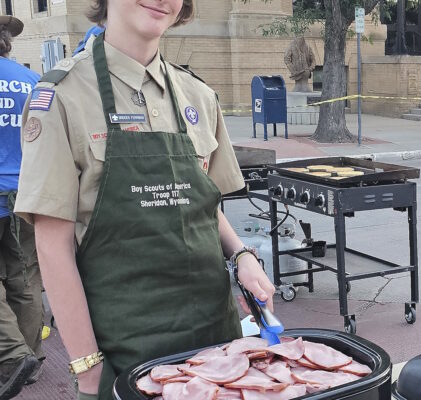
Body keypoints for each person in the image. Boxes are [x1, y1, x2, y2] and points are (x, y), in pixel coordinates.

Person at [14, 1, 276, 399]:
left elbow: (202, 203)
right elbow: (52, 247)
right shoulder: (61, 98)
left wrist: (242, 254)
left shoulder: (199, 95)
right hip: (124, 355)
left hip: (218, 350)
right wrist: (88, 369)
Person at [0, 15, 44, 400]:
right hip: (25, 196)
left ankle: (13, 358)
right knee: (26, 278)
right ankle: (30, 356)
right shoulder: (30, 81)